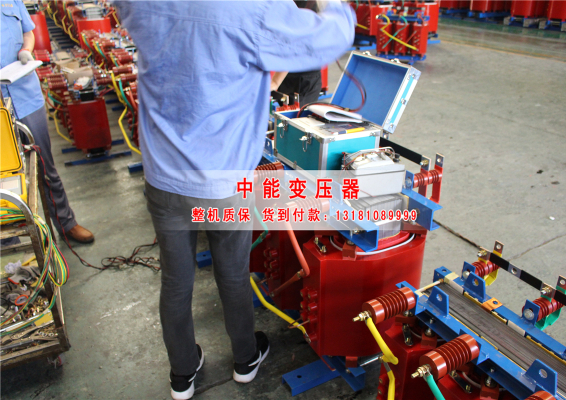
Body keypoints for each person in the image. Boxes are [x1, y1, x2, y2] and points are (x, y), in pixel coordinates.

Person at [115, 1, 355, 399]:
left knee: (176, 282)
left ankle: (182, 374)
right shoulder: (250, 8)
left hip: (164, 178)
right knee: (231, 273)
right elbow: (331, 36)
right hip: (224, 181)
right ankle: (245, 359)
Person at [0, 0, 94, 243]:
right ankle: (8, 239)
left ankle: (66, 223)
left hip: (25, 93)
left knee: (44, 164)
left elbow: (28, 32)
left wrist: (26, 50)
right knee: (3, 173)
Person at [270, 0, 324, 107]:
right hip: (289, 75)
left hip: (304, 79)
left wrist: (275, 81)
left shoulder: (305, 8)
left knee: (298, 113)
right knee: (284, 110)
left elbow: (294, 44)